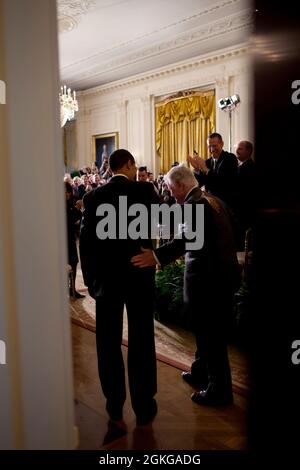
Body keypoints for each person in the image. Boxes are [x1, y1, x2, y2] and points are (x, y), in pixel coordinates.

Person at [131, 165, 241, 406]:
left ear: (180, 185)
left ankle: (219, 391)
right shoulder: (213, 199)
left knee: (212, 336)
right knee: (205, 331)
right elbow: (235, 229)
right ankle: (201, 372)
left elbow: (184, 241)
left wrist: (156, 256)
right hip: (224, 277)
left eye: (171, 189)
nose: (170, 194)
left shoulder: (194, 205)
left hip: (207, 280)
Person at [79, 149, 159, 429]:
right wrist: (155, 255)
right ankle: (145, 405)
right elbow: (165, 226)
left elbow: (85, 243)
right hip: (139, 275)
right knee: (142, 341)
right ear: (128, 165)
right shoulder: (146, 191)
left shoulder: (93, 197)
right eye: (134, 164)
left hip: (108, 280)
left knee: (108, 343)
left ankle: (114, 404)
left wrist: (90, 281)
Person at [188, 132, 238, 213]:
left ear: (221, 144)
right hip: (210, 202)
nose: (212, 149)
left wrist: (205, 169)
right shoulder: (208, 162)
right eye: (209, 146)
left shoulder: (230, 158)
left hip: (226, 202)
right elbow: (200, 183)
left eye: (214, 146)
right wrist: (197, 170)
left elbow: (223, 182)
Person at [65, 182, 85, 299]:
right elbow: (69, 219)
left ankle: (72, 289)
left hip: (70, 238)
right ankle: (69, 289)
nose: (68, 194)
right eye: (66, 192)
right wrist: (77, 208)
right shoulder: (61, 204)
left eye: (68, 192)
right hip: (65, 238)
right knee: (70, 263)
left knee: (73, 262)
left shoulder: (68, 203)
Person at [235, 140, 256, 249]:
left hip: (244, 211)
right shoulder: (240, 166)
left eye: (240, 149)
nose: (236, 151)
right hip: (240, 211)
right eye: (237, 148)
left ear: (248, 151)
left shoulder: (249, 168)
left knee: (241, 242)